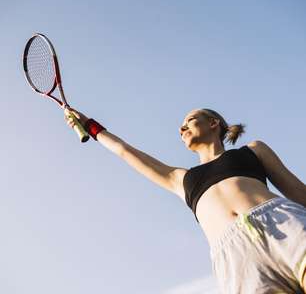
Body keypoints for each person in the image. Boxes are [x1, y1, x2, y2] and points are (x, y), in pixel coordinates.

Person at [65, 107, 306, 294]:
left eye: (188, 121)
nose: (181, 129)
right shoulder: (180, 178)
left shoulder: (253, 150)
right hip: (236, 258)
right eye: (181, 127)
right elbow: (124, 151)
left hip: (280, 223)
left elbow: (297, 191)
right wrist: (89, 125)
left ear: (214, 123)